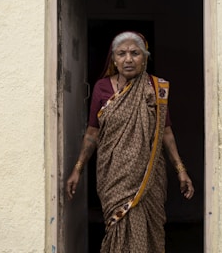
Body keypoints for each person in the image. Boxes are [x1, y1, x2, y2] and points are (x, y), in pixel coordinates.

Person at [66, 31, 194, 252]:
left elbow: (166, 132)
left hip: (149, 175)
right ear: (113, 59)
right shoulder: (102, 88)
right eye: (121, 53)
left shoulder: (156, 88)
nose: (128, 59)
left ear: (144, 58)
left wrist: (180, 169)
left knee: (149, 229)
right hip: (114, 176)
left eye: (135, 53)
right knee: (118, 227)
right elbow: (92, 133)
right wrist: (77, 169)